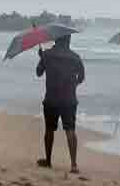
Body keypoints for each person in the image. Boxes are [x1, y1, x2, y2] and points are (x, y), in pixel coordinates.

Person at [35, 35, 85, 173]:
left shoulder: (47, 55)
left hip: (51, 98)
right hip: (69, 99)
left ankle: (48, 160)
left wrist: (42, 58)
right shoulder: (75, 57)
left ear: (56, 40)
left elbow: (38, 73)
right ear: (68, 41)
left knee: (49, 130)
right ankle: (74, 164)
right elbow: (81, 77)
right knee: (70, 130)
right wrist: (73, 84)